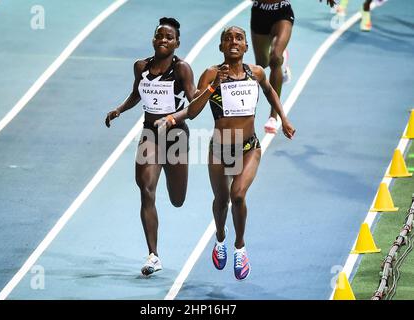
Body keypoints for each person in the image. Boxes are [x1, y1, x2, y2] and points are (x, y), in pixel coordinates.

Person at [157, 26, 295, 280]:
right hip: (219, 149)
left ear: (245, 47)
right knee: (222, 202)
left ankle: (239, 247)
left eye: (239, 38)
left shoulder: (256, 73)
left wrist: (282, 118)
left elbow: (270, 91)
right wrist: (212, 88)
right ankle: (220, 237)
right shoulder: (210, 74)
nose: (233, 41)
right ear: (221, 47)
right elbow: (193, 110)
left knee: (238, 195)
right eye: (228, 39)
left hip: (248, 147)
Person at [105, 17, 196, 276]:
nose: (164, 40)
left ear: (177, 43)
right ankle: (153, 255)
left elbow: (193, 106)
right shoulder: (141, 66)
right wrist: (119, 109)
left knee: (177, 199)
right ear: (153, 39)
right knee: (146, 188)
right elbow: (137, 93)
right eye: (160, 36)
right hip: (150, 134)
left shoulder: (182, 70)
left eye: (169, 37)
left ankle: (171, 177)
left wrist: (172, 118)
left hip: (176, 135)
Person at [250, 0, 336, 134]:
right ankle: (282, 66)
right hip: (260, 13)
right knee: (262, 63)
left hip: (282, 12)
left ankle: (273, 117)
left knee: (275, 58)